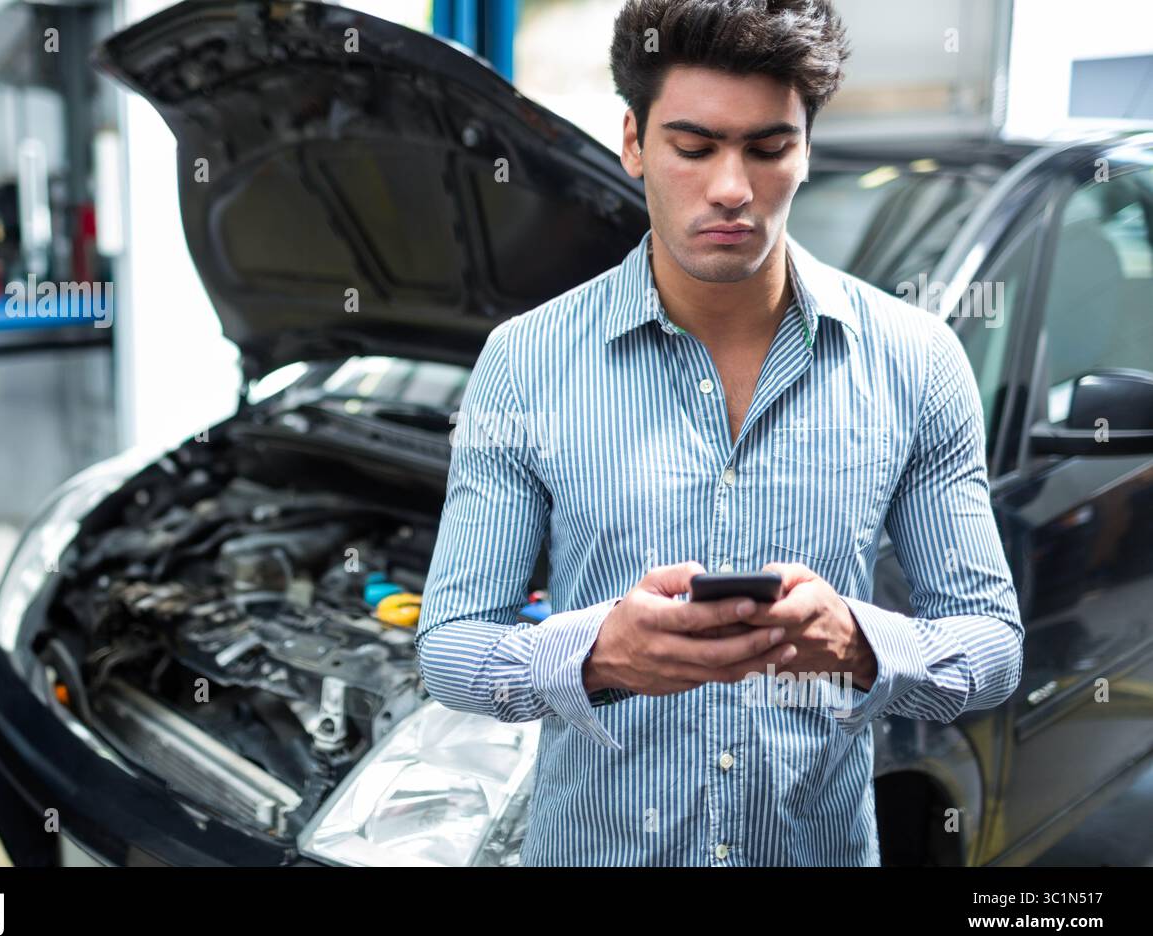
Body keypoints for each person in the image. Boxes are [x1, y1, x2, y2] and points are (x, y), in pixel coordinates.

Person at [415, 0, 1023, 866]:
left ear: (806, 148)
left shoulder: (915, 360)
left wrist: (858, 645)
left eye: (768, 148)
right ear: (633, 141)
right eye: (694, 148)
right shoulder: (526, 363)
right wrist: (597, 656)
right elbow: (452, 646)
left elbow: (991, 647)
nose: (731, 187)